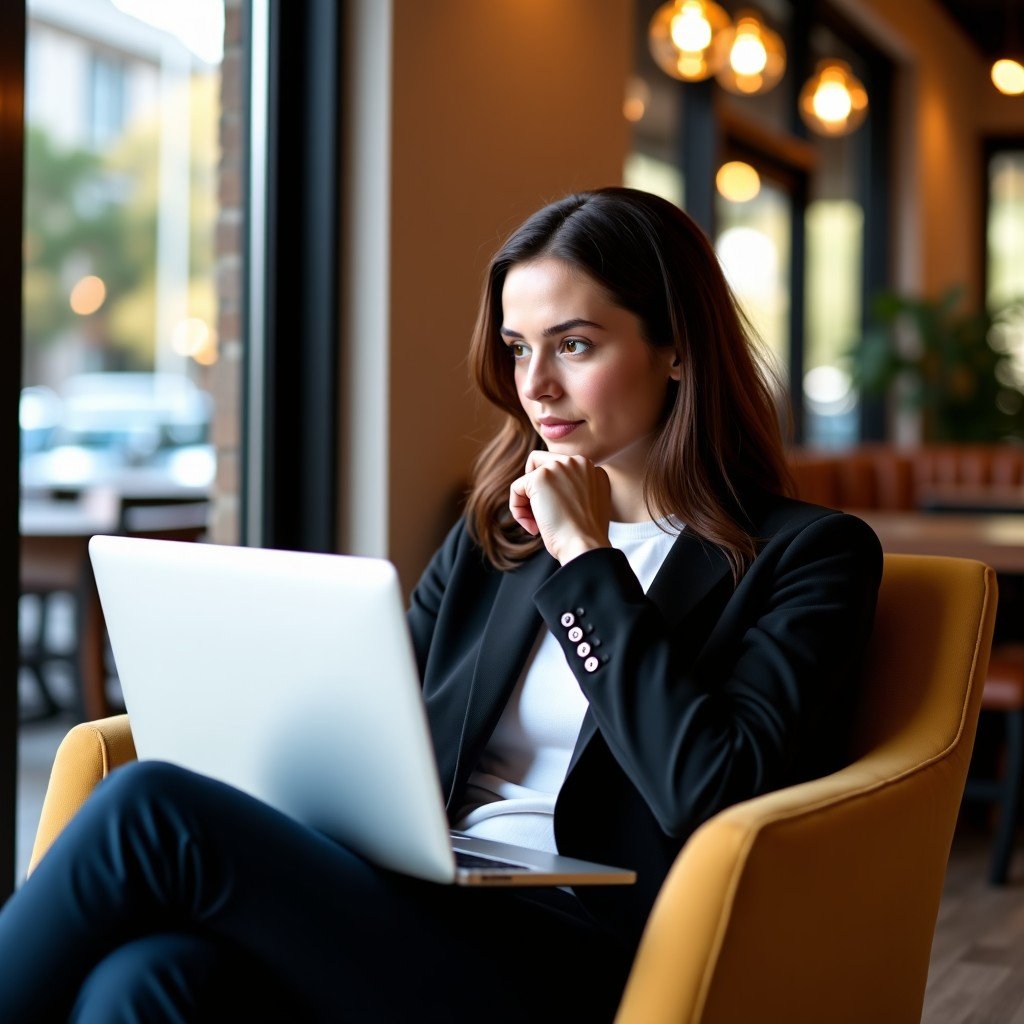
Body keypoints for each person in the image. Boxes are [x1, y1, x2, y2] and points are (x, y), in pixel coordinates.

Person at [0, 187, 882, 1023]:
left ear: (677, 349)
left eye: (575, 345)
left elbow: (713, 788)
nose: (535, 385)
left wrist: (587, 556)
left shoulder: (806, 556)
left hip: (592, 949)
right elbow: (384, 732)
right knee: (151, 976)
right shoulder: (495, 535)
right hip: (428, 901)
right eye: (518, 346)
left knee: (151, 808)